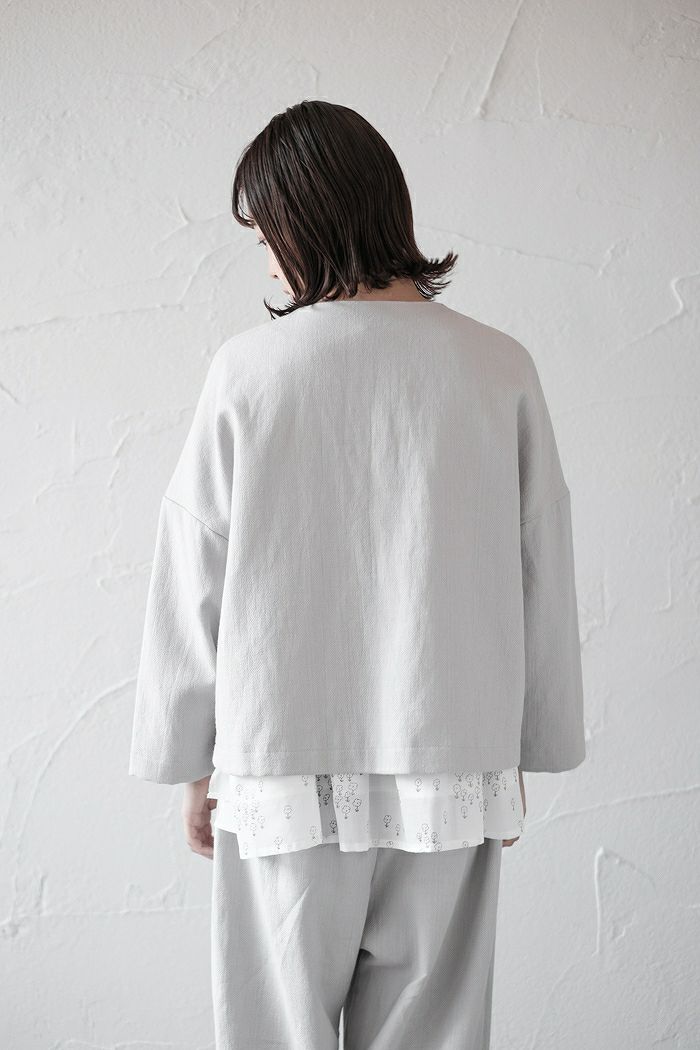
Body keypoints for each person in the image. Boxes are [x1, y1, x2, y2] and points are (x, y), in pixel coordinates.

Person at [128, 100, 585, 1050]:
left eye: (265, 235)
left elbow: (193, 568)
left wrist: (188, 764)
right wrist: (521, 750)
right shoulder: (498, 368)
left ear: (304, 220)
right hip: (450, 758)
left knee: (274, 1032)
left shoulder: (249, 372)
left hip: (278, 765)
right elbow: (541, 561)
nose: (266, 262)